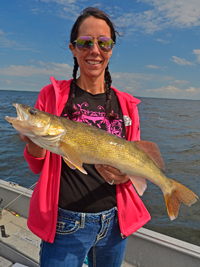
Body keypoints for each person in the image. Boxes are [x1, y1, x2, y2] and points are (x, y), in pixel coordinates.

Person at [20, 7, 151, 267]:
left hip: (114, 224)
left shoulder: (127, 105)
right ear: (73, 48)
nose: (94, 50)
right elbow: (37, 165)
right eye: (85, 42)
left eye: (103, 43)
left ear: (111, 49)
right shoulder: (51, 95)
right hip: (64, 223)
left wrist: (125, 175)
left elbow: (136, 165)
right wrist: (35, 141)